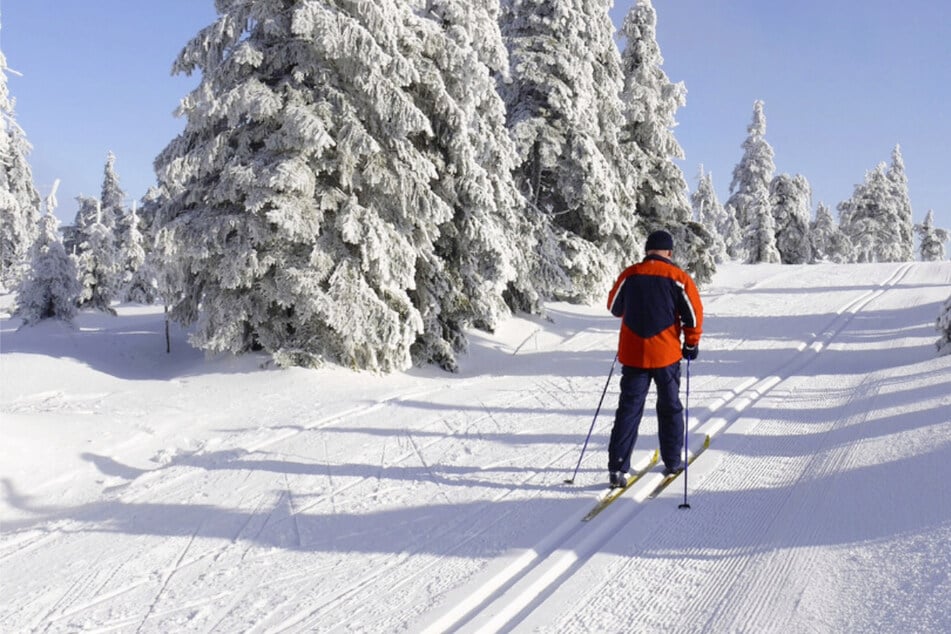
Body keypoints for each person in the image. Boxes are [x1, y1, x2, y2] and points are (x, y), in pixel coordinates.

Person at [605, 229, 704, 487]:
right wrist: (691, 343)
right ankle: (672, 461)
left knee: (629, 409)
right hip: (665, 355)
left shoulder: (630, 274)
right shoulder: (678, 278)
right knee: (670, 406)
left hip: (633, 354)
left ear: (647, 250)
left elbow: (614, 307)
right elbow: (693, 316)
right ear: (669, 252)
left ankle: (617, 468)